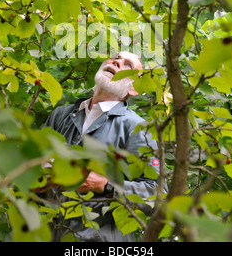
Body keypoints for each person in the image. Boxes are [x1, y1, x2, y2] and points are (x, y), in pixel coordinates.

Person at [43, 51, 164, 242]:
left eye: (127, 65)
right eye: (115, 57)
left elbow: (157, 195)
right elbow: (30, 164)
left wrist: (106, 186)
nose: (116, 62)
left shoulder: (137, 128)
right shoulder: (61, 115)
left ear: (133, 89)